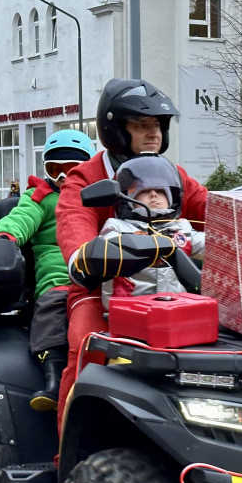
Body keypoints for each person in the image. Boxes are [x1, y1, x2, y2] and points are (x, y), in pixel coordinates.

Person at [55, 78, 209, 421]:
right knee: (86, 345)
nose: (152, 133)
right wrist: (86, 254)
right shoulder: (85, 178)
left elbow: (212, 210)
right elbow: (73, 225)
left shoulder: (172, 174)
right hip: (102, 288)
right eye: (141, 126)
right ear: (115, 131)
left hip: (174, 287)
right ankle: (68, 457)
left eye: (156, 125)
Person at [0, 129, 96, 411]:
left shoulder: (98, 193)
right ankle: (54, 378)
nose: (64, 178)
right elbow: (22, 218)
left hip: (102, 269)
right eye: (55, 169)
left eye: (72, 169)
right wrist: (5, 237)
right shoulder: (41, 195)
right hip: (60, 276)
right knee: (54, 308)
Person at [89, 154, 205, 309]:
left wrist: (240, 242)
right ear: (128, 199)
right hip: (129, 311)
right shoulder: (117, 228)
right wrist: (139, 244)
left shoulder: (181, 229)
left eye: (160, 190)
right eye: (144, 190)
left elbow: (215, 246)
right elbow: (106, 249)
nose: (153, 194)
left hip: (177, 310)